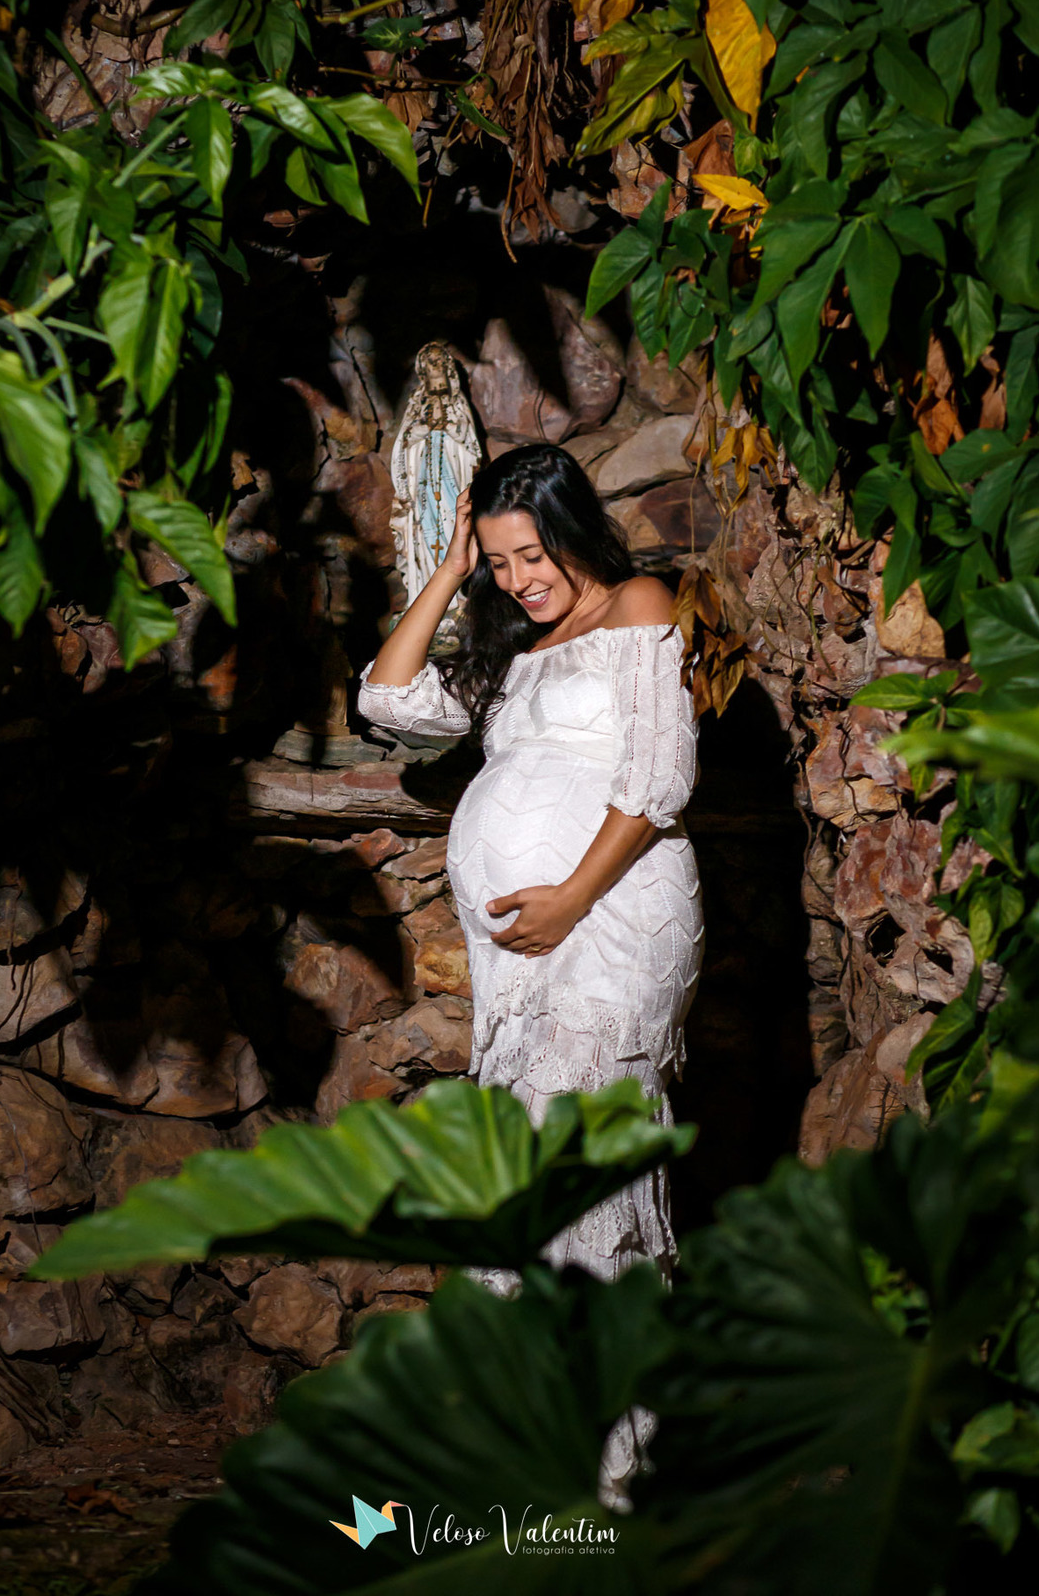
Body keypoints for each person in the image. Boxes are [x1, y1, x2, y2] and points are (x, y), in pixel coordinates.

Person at [357, 441, 703, 1502]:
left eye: (530, 553)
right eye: (501, 561)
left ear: (572, 526)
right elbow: (387, 697)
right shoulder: (509, 642)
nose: (521, 579)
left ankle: (613, 1474)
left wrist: (570, 897)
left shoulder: (641, 602)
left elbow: (659, 780)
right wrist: (451, 572)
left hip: (615, 920)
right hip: (523, 966)